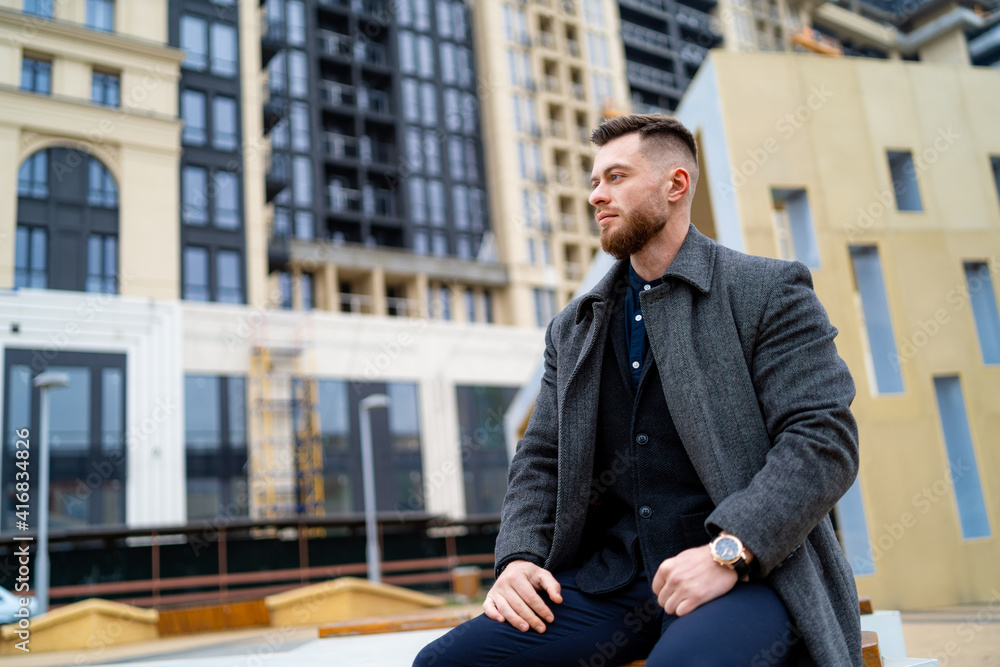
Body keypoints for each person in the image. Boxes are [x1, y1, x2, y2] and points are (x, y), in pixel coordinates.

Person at [414, 114, 861, 666]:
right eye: (594, 181)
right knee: (446, 663)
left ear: (675, 186)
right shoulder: (574, 327)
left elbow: (823, 441)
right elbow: (541, 457)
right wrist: (519, 557)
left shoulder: (766, 291)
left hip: (751, 573)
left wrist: (728, 552)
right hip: (616, 583)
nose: (597, 195)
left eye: (617, 177)